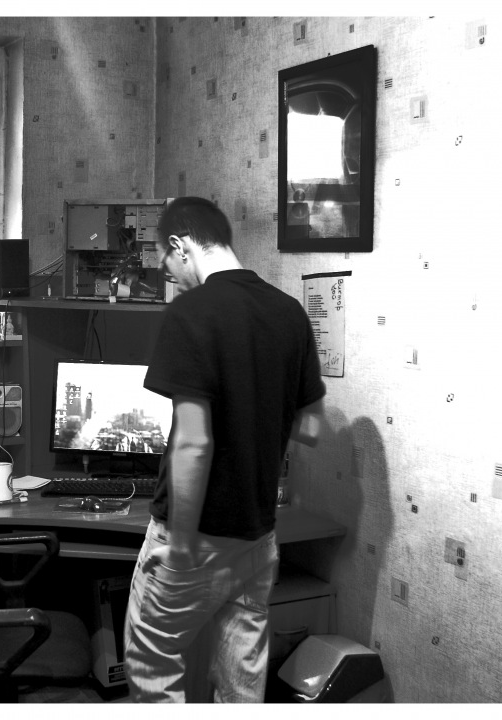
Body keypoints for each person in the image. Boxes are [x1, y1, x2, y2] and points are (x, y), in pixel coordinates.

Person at [123, 196, 326, 702]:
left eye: (167, 265)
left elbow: (194, 441)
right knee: (241, 681)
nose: (172, 278)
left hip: (196, 536)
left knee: (153, 662)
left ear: (181, 246)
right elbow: (311, 428)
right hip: (257, 537)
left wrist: (181, 544)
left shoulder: (191, 312)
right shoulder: (290, 312)